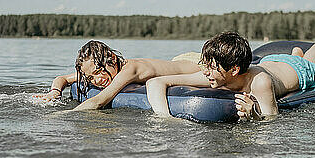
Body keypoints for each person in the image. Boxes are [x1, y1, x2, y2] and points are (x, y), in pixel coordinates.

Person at [146, 27, 315, 120]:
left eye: (211, 66)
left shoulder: (260, 83)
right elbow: (155, 83)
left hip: (296, 72)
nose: (204, 71)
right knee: (301, 58)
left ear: (234, 69)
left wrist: (253, 111)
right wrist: (166, 120)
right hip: (273, 60)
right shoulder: (211, 75)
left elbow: (272, 119)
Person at [34, 40, 201, 110]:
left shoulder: (130, 69)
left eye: (98, 72)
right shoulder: (97, 71)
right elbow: (62, 78)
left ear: (112, 59)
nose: (96, 80)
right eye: (90, 78)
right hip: (177, 61)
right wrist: (54, 92)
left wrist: (62, 115)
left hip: (196, 64)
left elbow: (99, 101)